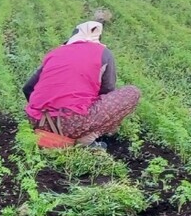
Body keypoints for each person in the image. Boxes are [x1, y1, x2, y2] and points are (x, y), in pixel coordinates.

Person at [22, 20, 140, 148]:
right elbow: (107, 90)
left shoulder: (55, 53)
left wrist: (46, 108)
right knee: (132, 92)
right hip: (74, 122)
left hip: (37, 121)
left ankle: (51, 133)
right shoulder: (103, 53)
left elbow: (28, 88)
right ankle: (86, 139)